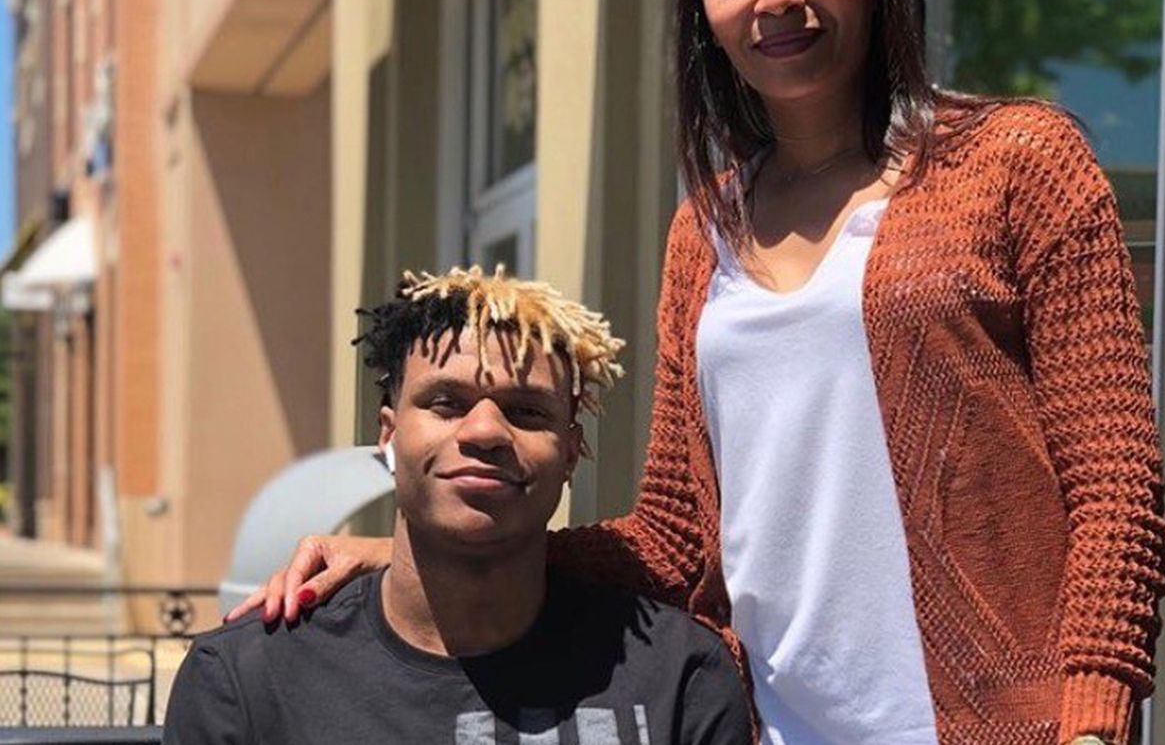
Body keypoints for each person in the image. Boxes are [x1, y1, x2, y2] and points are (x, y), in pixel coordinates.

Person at [227, 0, 1165, 744]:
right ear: (706, 12)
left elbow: (1118, 488)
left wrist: (1094, 716)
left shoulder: (1016, 164)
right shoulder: (705, 230)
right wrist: (422, 556)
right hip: (765, 724)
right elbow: (676, 540)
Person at [166, 268, 753, 745]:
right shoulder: (249, 680)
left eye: (527, 411)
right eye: (446, 402)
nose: (485, 431)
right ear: (389, 436)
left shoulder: (679, 678)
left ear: (572, 453)